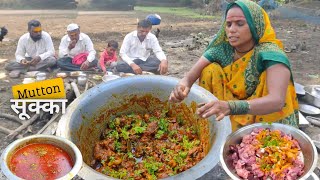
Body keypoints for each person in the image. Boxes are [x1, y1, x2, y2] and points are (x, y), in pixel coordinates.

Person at [169, 0, 299, 132]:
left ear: (255, 26)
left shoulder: (270, 54)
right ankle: (216, 128)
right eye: (228, 24)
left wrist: (231, 107)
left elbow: (277, 101)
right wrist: (181, 88)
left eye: (240, 24)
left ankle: (267, 138)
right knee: (210, 70)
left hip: (262, 115)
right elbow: (189, 78)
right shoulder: (223, 50)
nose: (231, 30)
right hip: (224, 111)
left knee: (268, 76)